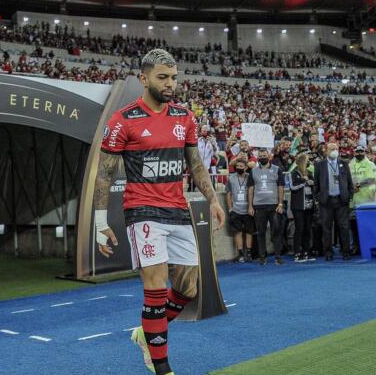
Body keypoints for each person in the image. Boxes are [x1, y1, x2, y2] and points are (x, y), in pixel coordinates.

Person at [93, 49, 225, 375]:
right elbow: (104, 173)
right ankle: (163, 367)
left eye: (174, 77)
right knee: (154, 288)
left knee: (188, 289)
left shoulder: (184, 117)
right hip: (142, 211)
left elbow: (195, 164)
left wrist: (213, 199)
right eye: (163, 77)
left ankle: (145, 334)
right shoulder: (123, 119)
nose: (170, 83)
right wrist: (99, 221)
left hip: (177, 209)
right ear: (144, 78)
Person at [314, 142, 355, 261]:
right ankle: (328, 252)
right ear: (326, 151)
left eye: (336, 148)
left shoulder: (343, 163)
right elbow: (316, 184)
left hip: (341, 200)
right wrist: (319, 197)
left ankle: (346, 251)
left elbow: (349, 182)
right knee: (326, 228)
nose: (335, 151)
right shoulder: (319, 165)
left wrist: (349, 195)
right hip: (326, 202)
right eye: (332, 149)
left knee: (344, 227)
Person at [247, 148, 286, 265]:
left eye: (264, 155)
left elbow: (280, 187)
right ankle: (262, 257)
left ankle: (278, 256)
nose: (262, 157)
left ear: (269, 156)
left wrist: (280, 203)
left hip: (274, 205)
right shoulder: (253, 171)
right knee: (261, 232)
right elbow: (250, 189)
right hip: (258, 205)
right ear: (258, 157)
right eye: (260, 156)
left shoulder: (277, 169)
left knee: (276, 232)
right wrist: (250, 206)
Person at [289, 153, 316, 262]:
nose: (309, 162)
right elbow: (292, 187)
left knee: (307, 229)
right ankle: (297, 252)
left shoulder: (309, 173)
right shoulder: (294, 173)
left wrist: (311, 182)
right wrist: (304, 182)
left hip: (309, 204)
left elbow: (315, 184)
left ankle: (306, 251)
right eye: (307, 160)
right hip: (298, 206)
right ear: (302, 161)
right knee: (299, 229)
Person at [226, 158, 253, 263]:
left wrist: (251, 206)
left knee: (249, 232)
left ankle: (249, 253)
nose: (239, 168)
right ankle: (241, 253)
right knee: (237, 232)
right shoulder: (231, 178)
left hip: (248, 210)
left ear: (246, 167)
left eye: (241, 166)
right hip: (236, 210)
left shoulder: (250, 178)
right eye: (237, 166)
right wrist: (230, 208)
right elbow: (228, 193)